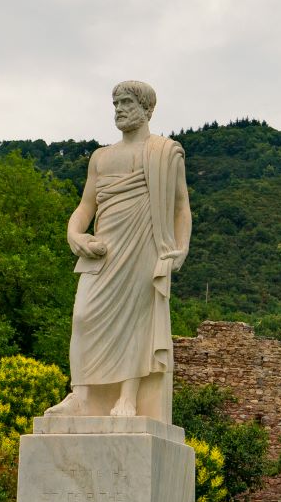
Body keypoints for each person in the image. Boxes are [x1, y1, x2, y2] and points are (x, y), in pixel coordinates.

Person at [44, 80, 191, 421]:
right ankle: (80, 395)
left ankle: (127, 397)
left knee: (135, 323)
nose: (120, 110)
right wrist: (74, 233)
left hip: (144, 248)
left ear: (147, 109)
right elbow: (86, 206)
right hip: (102, 252)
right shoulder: (101, 157)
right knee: (82, 317)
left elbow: (181, 206)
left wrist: (181, 249)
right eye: (116, 104)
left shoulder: (165, 153)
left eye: (127, 103)